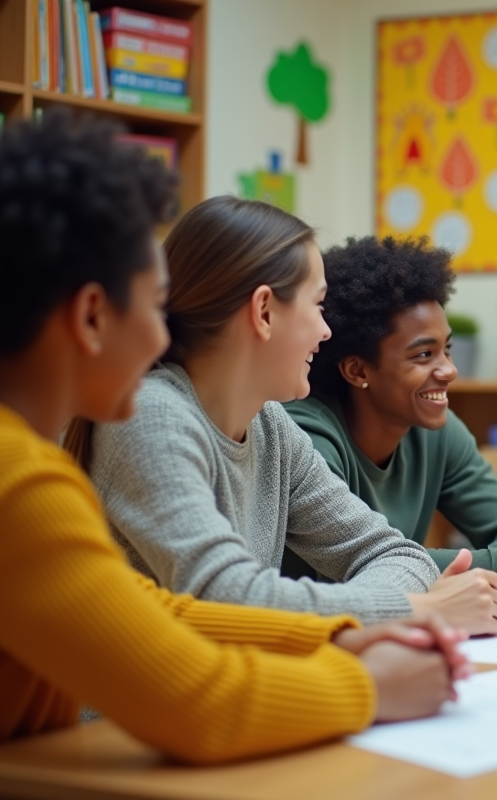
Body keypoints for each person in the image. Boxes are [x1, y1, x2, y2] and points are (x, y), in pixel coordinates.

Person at [0, 109, 468, 763]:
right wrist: (369, 678)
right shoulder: (22, 484)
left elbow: (163, 611)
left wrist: (346, 632)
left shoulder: (28, 467)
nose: (164, 336)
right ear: (92, 317)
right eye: (153, 305)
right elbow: (201, 700)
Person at [76, 196, 497, 635]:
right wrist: (416, 610)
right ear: (264, 311)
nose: (326, 330)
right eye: (318, 305)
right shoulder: (152, 417)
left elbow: (395, 554)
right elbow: (227, 598)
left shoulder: (271, 425)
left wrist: (395, 610)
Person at [283, 236, 497, 603]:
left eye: (447, 349)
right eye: (424, 355)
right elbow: (346, 573)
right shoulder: (304, 437)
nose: (449, 370)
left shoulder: (437, 431)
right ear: (358, 370)